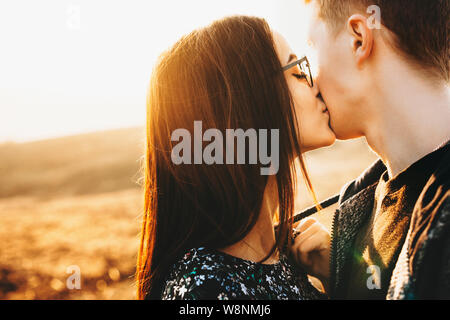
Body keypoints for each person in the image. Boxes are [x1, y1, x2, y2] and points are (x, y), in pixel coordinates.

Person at [135, 15, 335, 300]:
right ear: (247, 104)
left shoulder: (284, 259)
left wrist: (337, 278)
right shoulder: (205, 290)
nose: (315, 85)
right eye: (297, 71)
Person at [291, 0, 450, 299]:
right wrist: (344, 278)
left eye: (312, 48)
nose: (309, 82)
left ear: (358, 40)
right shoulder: (360, 206)